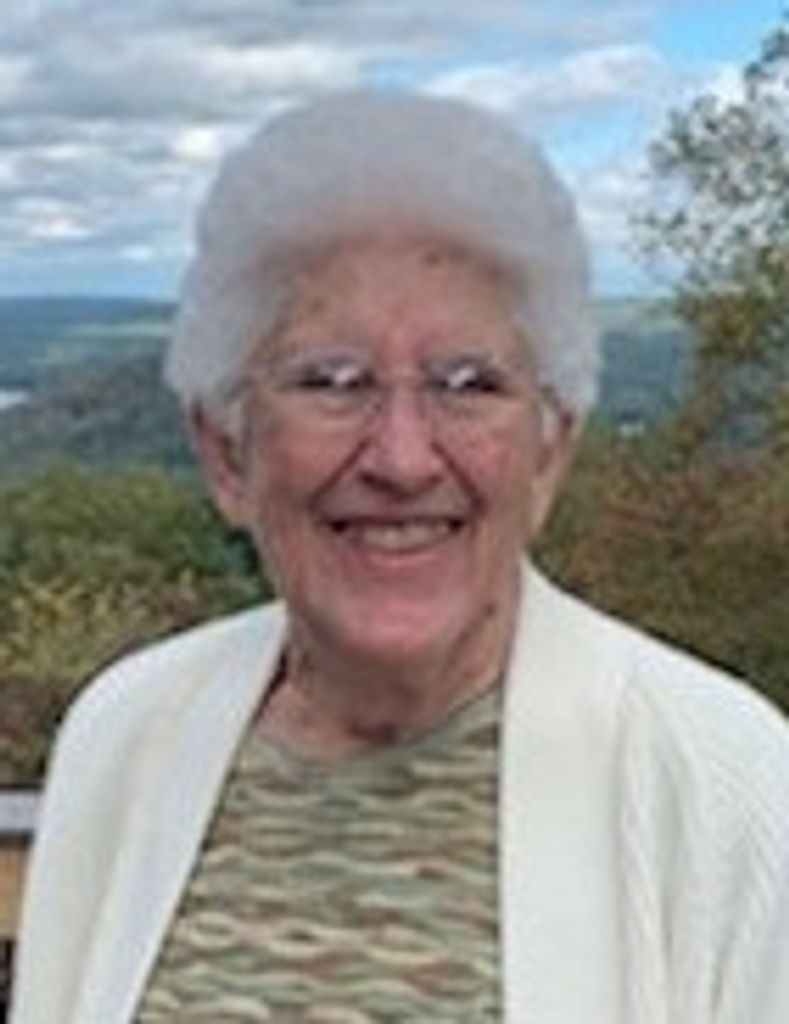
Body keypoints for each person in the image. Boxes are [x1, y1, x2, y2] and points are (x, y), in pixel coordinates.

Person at [10, 90, 789, 1024]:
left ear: (549, 451)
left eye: (468, 383)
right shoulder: (127, 731)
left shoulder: (725, 781)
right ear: (225, 451)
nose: (402, 459)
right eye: (332, 380)